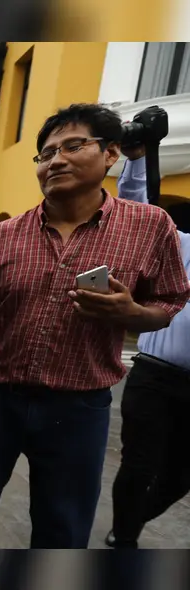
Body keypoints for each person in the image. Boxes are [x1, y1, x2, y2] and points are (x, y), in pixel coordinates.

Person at [0, 103, 190, 549]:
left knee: (63, 529)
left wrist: (131, 313)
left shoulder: (151, 226)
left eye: (73, 146)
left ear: (111, 153)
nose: (56, 160)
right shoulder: (3, 236)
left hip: (78, 409)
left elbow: (170, 300)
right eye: (46, 154)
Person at [108, 146, 190, 548]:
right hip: (155, 375)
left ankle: (130, 522)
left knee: (181, 476)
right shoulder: (182, 244)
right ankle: (123, 540)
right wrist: (139, 156)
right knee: (139, 464)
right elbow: (136, 208)